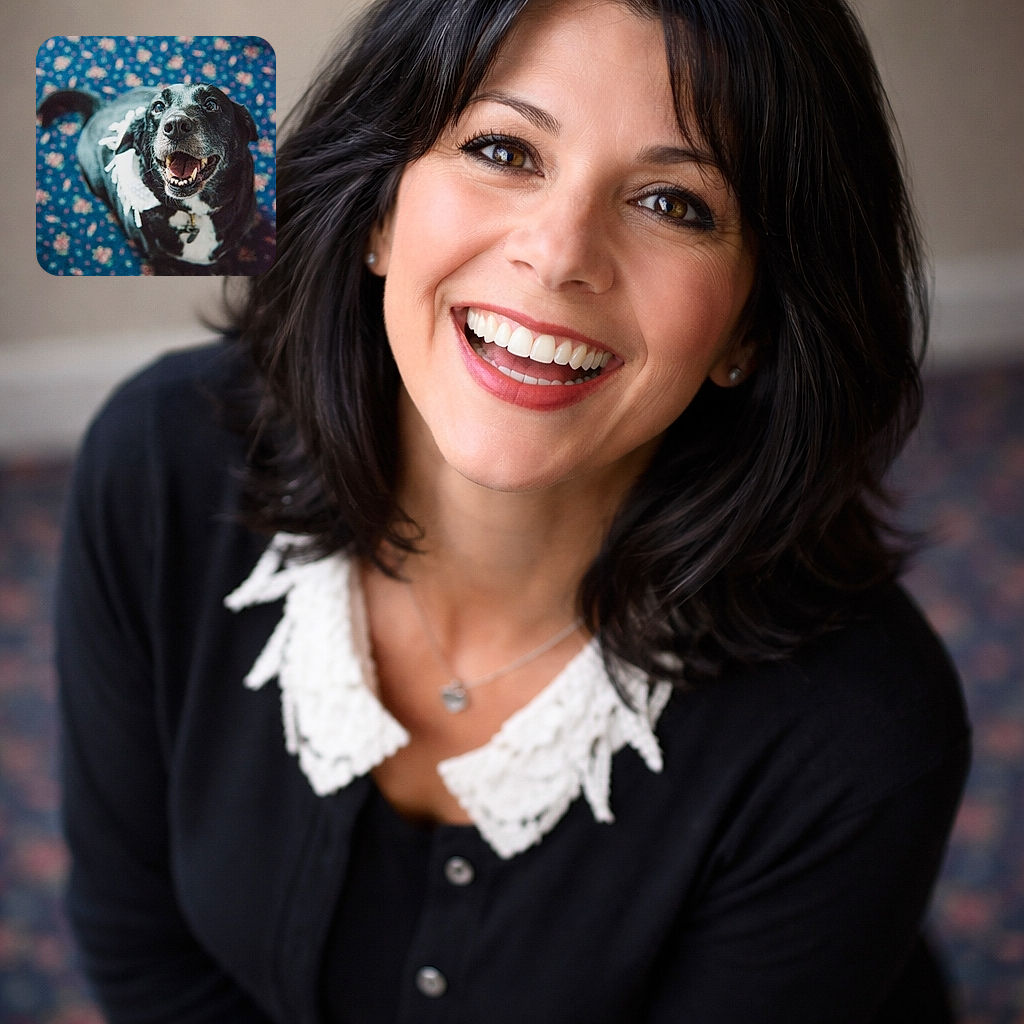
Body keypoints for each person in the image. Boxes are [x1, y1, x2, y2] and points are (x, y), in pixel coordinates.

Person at [55, 0, 971, 1020]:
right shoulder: (158, 467)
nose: (559, 252)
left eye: (673, 203)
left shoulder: (861, 730)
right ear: (378, 212)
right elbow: (143, 950)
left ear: (749, 328)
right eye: (502, 148)